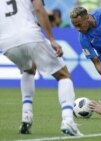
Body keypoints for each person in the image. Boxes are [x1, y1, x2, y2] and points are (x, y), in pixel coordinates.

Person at [0, 0, 82, 136]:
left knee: (29, 69)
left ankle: (26, 116)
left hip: (6, 42)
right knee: (63, 75)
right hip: (29, 34)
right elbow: (38, 8)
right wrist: (52, 39)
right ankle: (68, 120)